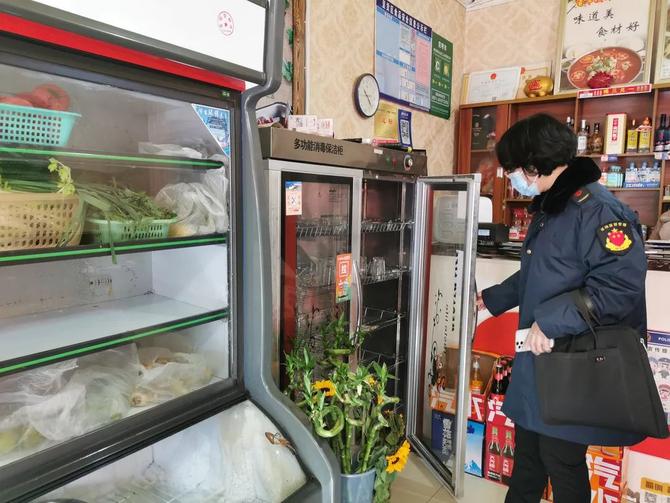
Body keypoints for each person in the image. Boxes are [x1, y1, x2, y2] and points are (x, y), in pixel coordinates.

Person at [476, 114, 647, 503]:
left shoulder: (599, 211)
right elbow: (539, 273)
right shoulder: (555, 205)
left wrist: (551, 322)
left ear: (534, 164)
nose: (509, 177)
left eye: (512, 168)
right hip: (541, 359)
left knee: (560, 462)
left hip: (571, 361)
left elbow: (619, 287)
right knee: (528, 459)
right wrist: (492, 298)